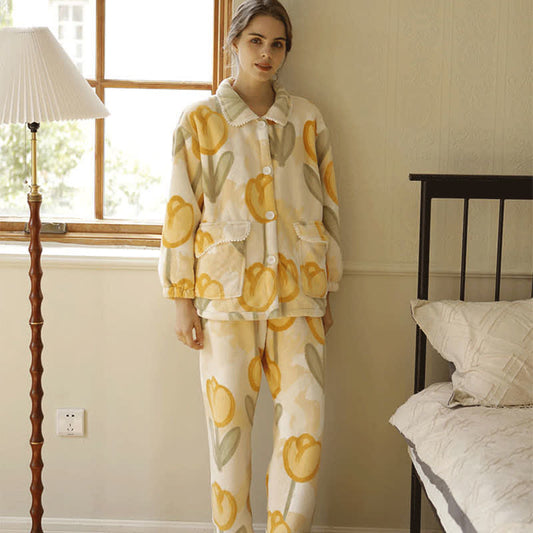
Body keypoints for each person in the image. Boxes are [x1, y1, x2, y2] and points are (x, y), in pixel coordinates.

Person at [159, 1, 342, 531]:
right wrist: (181, 302)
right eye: (256, 41)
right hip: (224, 299)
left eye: (277, 44)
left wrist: (327, 289)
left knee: (305, 429)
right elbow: (180, 211)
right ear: (233, 44)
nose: (266, 54)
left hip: (300, 294)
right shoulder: (198, 121)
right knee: (229, 435)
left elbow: (328, 206)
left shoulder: (308, 119)